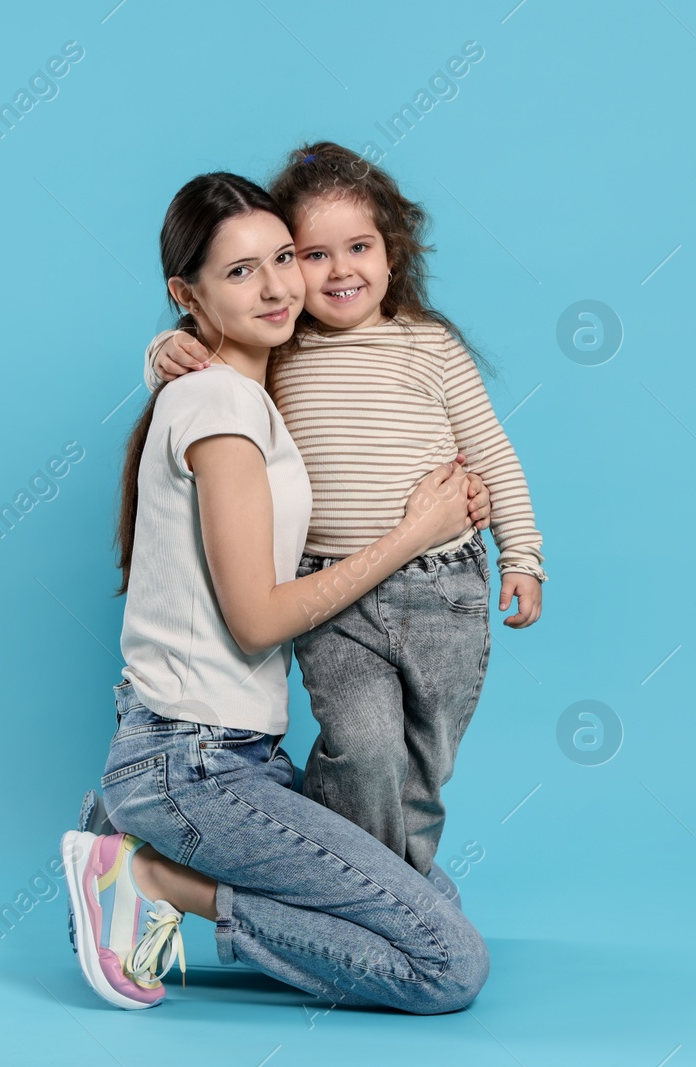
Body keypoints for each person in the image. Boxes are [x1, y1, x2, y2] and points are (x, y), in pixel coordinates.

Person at [62, 172, 491, 1014]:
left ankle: (143, 851)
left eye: (284, 257)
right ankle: (150, 877)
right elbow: (257, 618)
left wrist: (164, 350)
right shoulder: (221, 406)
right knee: (446, 965)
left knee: (431, 908)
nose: (277, 286)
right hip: (191, 762)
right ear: (186, 294)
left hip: (235, 757)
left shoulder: (247, 391)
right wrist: (415, 532)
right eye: (239, 272)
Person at [140, 141, 547, 884]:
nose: (338, 270)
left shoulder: (430, 347)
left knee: (424, 764)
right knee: (363, 747)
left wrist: (522, 555)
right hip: (333, 593)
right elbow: (209, 358)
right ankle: (368, 896)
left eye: (359, 247)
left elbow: (493, 451)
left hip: (443, 587)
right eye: (313, 254)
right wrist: (166, 349)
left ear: (393, 255)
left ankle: (401, 891)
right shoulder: (284, 347)